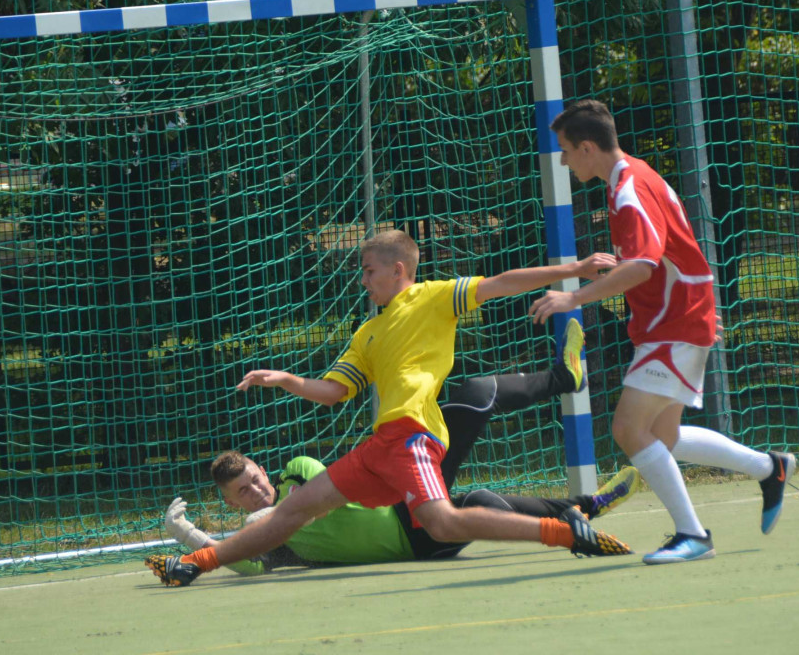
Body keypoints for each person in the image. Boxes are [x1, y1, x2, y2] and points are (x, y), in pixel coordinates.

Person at [145, 229, 632, 587]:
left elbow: (502, 282)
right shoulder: (367, 333)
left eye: (369, 270)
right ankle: (196, 565)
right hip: (380, 446)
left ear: (398, 269)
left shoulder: (433, 297)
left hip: (414, 434)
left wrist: (575, 270)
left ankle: (566, 533)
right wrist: (286, 379)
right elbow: (336, 392)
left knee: (442, 521)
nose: (363, 281)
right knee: (289, 512)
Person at [529, 99, 796, 564]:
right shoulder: (632, 176)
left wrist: (571, 298)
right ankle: (767, 467)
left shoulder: (629, 191)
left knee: (629, 428)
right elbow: (650, 259)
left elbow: (643, 266)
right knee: (662, 434)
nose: (564, 160)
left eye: (567, 151)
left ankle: (693, 536)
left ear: (588, 148)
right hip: (676, 317)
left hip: (677, 320)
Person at [161, 352, 641, 575]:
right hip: (417, 541)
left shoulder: (299, 472)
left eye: (253, 480)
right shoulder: (277, 547)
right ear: (228, 503)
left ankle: (564, 380)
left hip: (403, 489)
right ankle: (579, 513)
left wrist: (266, 516)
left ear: (265, 471)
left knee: (475, 395)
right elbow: (242, 564)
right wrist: (188, 538)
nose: (254, 492)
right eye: (241, 494)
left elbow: (304, 504)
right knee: (479, 502)